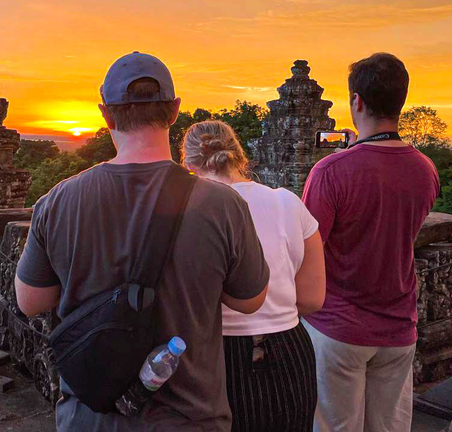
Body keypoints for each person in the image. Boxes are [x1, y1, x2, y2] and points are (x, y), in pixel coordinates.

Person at [15, 51, 270, 432]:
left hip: (89, 417)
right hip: (188, 417)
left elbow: (30, 301)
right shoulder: (222, 204)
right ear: (174, 111)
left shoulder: (59, 200)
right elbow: (250, 300)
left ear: (106, 113)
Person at [301, 53, 440, 432]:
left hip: (338, 327)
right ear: (400, 101)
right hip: (398, 328)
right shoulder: (425, 170)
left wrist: (345, 159)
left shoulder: (330, 171)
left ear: (356, 101)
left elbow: (306, 250)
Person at [183, 120, 325, 432]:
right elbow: (313, 298)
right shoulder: (286, 201)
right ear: (239, 157)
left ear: (190, 166)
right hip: (290, 348)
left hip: (216, 354)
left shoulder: (186, 209)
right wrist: (271, 312)